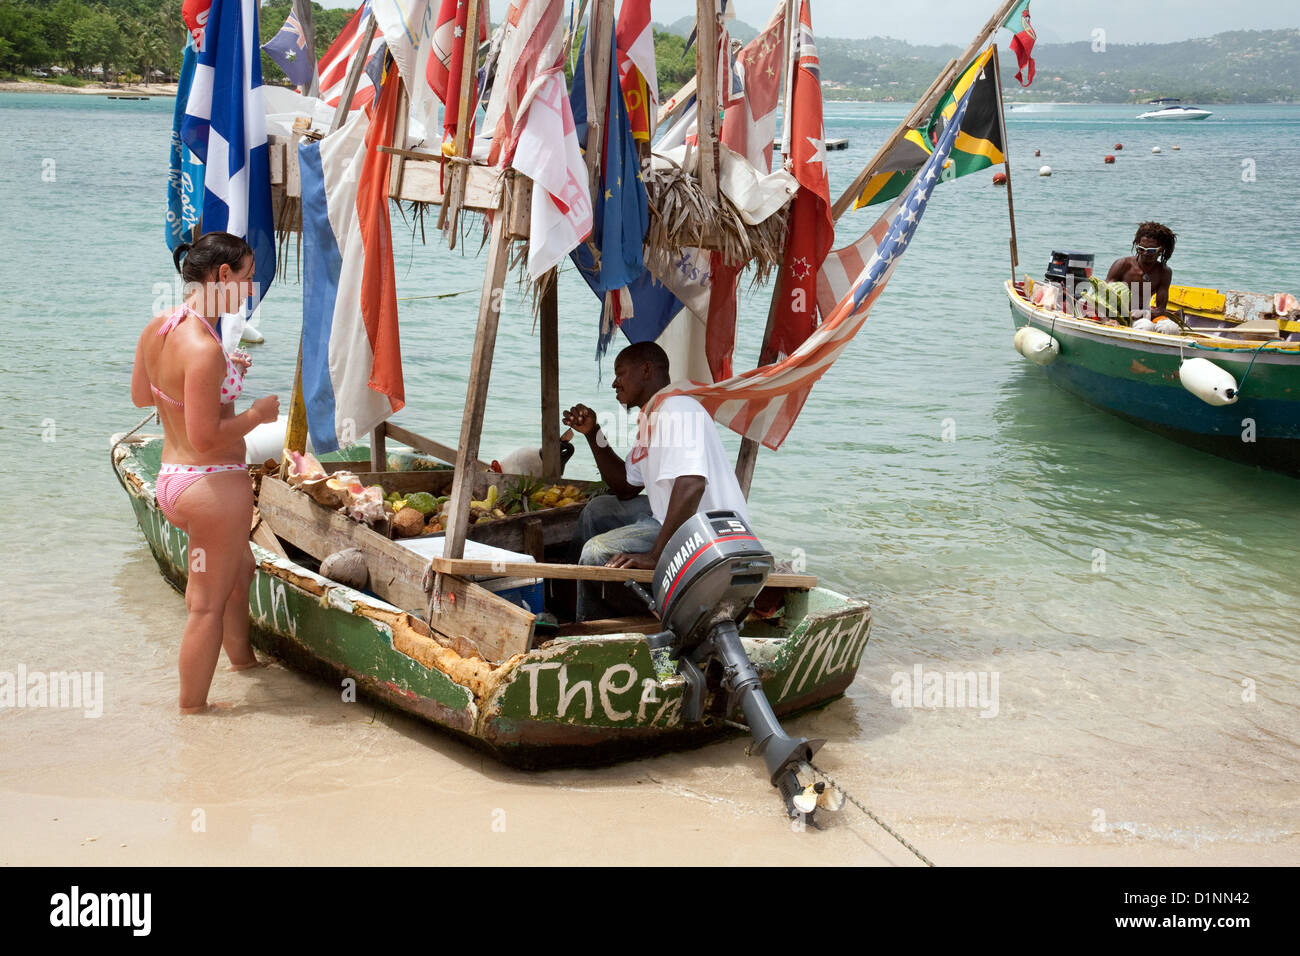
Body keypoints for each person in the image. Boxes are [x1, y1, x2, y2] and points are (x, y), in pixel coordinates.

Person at [131, 232, 280, 713]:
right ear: (221, 276)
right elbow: (207, 437)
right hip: (211, 482)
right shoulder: (205, 348)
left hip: (173, 480)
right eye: (248, 275)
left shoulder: (159, 328)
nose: (251, 286)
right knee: (204, 606)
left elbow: (142, 396)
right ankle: (192, 712)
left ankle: (243, 661)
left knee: (241, 568)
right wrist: (257, 415)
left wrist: (202, 387)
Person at [562, 342, 749, 621]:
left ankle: (594, 628)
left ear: (646, 370)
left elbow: (692, 485)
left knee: (596, 552)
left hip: (707, 531)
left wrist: (655, 554)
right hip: (670, 519)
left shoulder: (678, 409)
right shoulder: (654, 415)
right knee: (598, 510)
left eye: (620, 373)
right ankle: (570, 596)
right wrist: (593, 433)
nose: (615, 383)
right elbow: (625, 486)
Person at [1106, 221, 1176, 323]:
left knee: (1168, 328)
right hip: (1116, 316)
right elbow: (1102, 296)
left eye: (1151, 250)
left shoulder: (1164, 272)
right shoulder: (1122, 264)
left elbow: (1161, 309)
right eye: (1141, 249)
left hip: (1142, 318)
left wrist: (1144, 314)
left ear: (1161, 249)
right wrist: (1108, 320)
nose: (1145, 253)